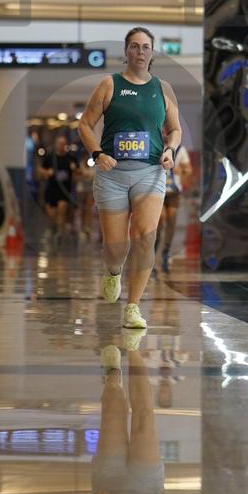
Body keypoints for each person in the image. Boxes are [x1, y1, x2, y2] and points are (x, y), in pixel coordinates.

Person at [78, 27, 181, 329]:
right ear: (126, 51)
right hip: (112, 174)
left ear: (152, 52)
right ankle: (113, 271)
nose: (140, 52)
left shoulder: (163, 88)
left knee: (146, 236)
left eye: (145, 47)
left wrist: (170, 150)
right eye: (134, 46)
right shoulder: (110, 84)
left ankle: (133, 306)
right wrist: (98, 153)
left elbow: (175, 129)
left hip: (150, 171)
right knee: (116, 247)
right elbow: (85, 125)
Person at [84, 342, 173, 494]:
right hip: (147, 489)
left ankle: (112, 375)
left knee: (112, 410)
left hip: (109, 486)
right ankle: (132, 346)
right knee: (144, 422)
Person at [154, 144, 192, 273]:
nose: (166, 134)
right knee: (160, 219)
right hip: (156, 189)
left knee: (171, 221)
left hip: (173, 192)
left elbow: (188, 170)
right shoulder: (155, 144)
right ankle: (153, 251)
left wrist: (180, 171)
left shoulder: (180, 149)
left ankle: (166, 251)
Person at [39, 134, 79, 233]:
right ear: (56, 144)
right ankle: (54, 229)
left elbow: (79, 173)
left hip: (65, 190)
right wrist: (47, 172)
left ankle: (60, 232)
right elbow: (40, 170)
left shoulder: (71, 158)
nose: (61, 146)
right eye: (59, 144)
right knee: (52, 214)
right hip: (51, 189)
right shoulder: (50, 158)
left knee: (62, 208)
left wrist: (74, 169)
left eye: (63, 144)